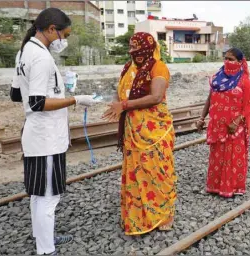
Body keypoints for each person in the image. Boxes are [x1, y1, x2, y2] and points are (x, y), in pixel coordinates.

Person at [9, 8, 98, 255]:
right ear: (50, 29)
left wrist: (56, 88)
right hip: (46, 139)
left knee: (38, 194)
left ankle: (43, 239)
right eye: (64, 34)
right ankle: (46, 250)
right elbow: (37, 102)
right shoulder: (41, 58)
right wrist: (74, 99)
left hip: (36, 136)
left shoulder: (25, 51)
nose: (64, 40)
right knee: (49, 196)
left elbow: (17, 94)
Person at [102, 32, 176, 235]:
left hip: (155, 131)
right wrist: (115, 103)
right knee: (136, 172)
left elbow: (156, 96)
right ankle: (138, 217)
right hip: (132, 130)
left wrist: (124, 104)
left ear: (148, 48)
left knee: (157, 171)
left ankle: (163, 215)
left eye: (137, 47)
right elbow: (121, 92)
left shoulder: (158, 67)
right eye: (131, 47)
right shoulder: (128, 68)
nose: (133, 51)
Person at [196, 48, 250, 197]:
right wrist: (202, 118)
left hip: (233, 128)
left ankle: (231, 187)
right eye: (226, 58)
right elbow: (209, 99)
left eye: (231, 59)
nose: (227, 62)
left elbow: (248, 105)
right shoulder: (217, 78)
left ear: (240, 62)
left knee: (231, 158)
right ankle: (215, 186)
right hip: (217, 126)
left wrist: (236, 122)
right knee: (217, 157)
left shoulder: (244, 81)